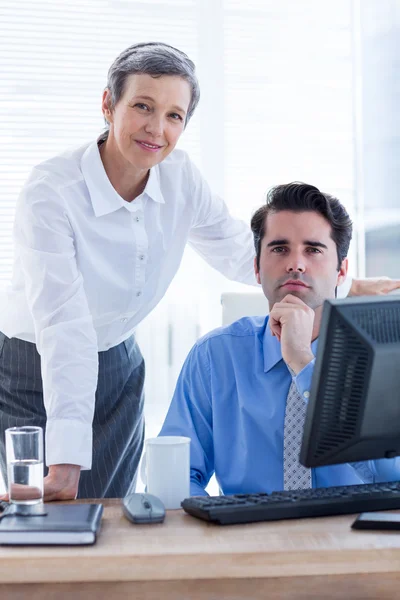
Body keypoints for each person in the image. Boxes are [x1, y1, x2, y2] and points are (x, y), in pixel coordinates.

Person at [0, 43, 397, 502]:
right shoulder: (51, 191)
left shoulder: (180, 177)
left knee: (105, 515)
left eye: (174, 115)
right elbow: (63, 326)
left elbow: (239, 249)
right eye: (143, 107)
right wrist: (65, 463)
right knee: (44, 515)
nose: (157, 129)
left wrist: (340, 286)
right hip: (36, 362)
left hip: (118, 363)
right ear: (108, 104)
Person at [158, 182, 400, 496]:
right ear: (257, 268)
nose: (295, 263)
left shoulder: (383, 358)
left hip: (351, 538)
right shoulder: (214, 356)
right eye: (279, 248)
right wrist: (220, 530)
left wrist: (304, 364)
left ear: (342, 272)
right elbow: (174, 478)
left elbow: (392, 478)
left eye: (313, 249)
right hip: (246, 537)